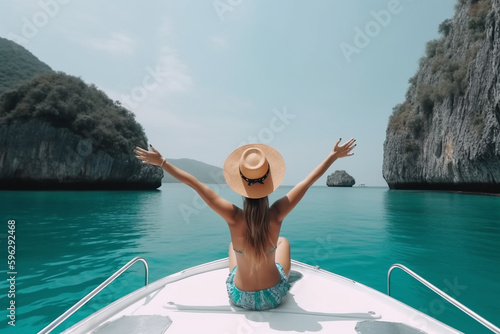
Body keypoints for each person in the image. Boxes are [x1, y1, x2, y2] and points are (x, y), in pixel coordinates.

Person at [134, 138, 356, 310]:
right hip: (274, 297)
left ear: (241, 184)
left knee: (233, 247)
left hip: (240, 297)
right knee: (283, 242)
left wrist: (162, 162)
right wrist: (332, 157)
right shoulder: (277, 213)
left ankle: (245, 272)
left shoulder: (233, 216)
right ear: (269, 181)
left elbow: (196, 184)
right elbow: (307, 182)